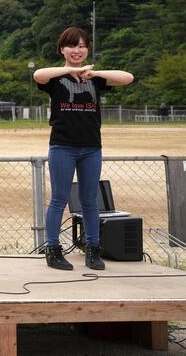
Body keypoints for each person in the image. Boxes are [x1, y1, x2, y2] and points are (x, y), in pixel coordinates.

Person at [33, 27, 133, 271]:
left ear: (87, 49)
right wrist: (71, 69)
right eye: (71, 46)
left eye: (81, 46)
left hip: (91, 148)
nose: (77, 50)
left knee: (90, 201)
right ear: (62, 50)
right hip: (62, 146)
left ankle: (93, 248)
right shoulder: (57, 78)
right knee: (58, 199)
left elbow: (127, 77)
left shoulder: (95, 79)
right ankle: (53, 250)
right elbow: (38, 74)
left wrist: (92, 72)